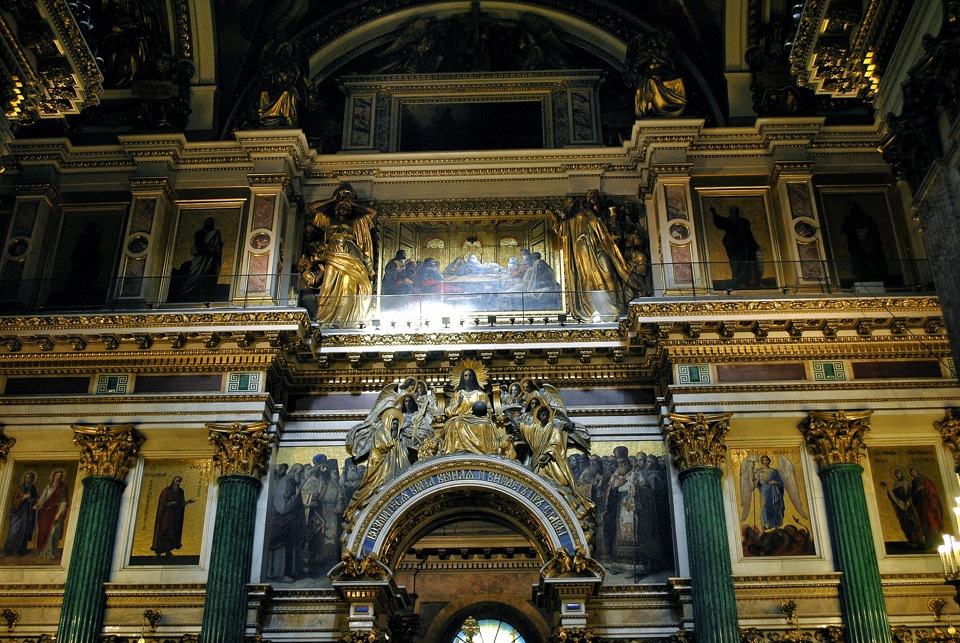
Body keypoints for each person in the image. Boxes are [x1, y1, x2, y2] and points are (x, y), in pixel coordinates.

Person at [300, 183, 377, 326]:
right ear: (336, 208)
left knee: (349, 284)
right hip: (333, 251)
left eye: (347, 207)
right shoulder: (327, 220)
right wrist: (332, 199)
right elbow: (312, 208)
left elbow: (372, 213)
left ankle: (344, 319)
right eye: (342, 206)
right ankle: (325, 317)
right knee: (328, 282)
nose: (345, 209)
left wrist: (353, 202)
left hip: (350, 250)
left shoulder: (356, 222)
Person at [554, 190, 633, 318]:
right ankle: (595, 307)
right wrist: (554, 216)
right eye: (591, 197)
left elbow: (615, 235)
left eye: (595, 196)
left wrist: (613, 220)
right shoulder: (581, 216)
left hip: (603, 249)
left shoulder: (605, 214)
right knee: (589, 277)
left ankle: (614, 305)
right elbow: (565, 227)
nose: (593, 199)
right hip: (585, 250)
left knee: (609, 273)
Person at [625, 29, 687, 117]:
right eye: (650, 42)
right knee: (650, 82)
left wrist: (656, 57)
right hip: (649, 77)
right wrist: (648, 57)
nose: (652, 44)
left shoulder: (661, 51)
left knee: (678, 82)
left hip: (662, 77)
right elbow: (636, 66)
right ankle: (652, 106)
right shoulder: (644, 52)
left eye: (654, 42)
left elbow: (669, 64)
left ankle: (672, 105)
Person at [266, 463, 305, 582]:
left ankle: (288, 572)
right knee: (281, 547)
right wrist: (296, 496)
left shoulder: (293, 482)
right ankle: (280, 574)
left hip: (289, 523)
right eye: (299, 472)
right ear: (293, 472)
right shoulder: (286, 482)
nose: (301, 475)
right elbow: (282, 506)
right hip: (281, 522)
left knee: (290, 547)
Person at [711, 205, 761, 288]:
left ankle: (745, 281)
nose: (733, 212)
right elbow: (719, 222)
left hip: (743, 246)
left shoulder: (744, 221)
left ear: (737, 212)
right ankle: (736, 280)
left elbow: (748, 233)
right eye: (731, 211)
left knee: (744, 263)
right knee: (734, 263)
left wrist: (754, 244)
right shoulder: (727, 221)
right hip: (732, 246)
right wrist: (714, 213)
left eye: (734, 211)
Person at [841, 203, 889, 283]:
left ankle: (875, 278)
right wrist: (854, 226)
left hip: (869, 245)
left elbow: (874, 231)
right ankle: (862, 278)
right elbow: (844, 229)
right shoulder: (849, 219)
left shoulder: (866, 218)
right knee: (859, 264)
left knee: (872, 263)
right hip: (857, 246)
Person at [178, 217, 224, 301]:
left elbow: (219, 244)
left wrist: (216, 249)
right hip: (200, 257)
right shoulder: (199, 233)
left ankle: (203, 293)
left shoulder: (216, 233)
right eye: (207, 222)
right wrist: (208, 249)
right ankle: (187, 291)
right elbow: (198, 244)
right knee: (194, 272)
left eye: (210, 222)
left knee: (207, 272)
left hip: (210, 258)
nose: (208, 224)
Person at [151, 475, 195, 557]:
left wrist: (187, 502)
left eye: (179, 481)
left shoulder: (181, 491)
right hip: (166, 515)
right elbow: (162, 503)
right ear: (173, 481)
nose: (178, 483)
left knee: (172, 533)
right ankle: (159, 552)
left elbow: (181, 503)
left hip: (175, 516)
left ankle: (168, 551)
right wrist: (171, 503)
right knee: (163, 531)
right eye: (177, 481)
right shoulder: (166, 491)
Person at [880, 467, 923, 548]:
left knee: (911, 521)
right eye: (896, 474)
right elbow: (893, 496)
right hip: (900, 507)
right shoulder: (896, 485)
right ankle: (909, 539)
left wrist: (908, 502)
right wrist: (887, 489)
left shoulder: (907, 483)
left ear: (902, 474)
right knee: (904, 522)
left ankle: (916, 538)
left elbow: (911, 493)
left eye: (898, 473)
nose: (897, 475)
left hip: (908, 505)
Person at [2, 472, 39, 557]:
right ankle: (7, 550)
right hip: (17, 513)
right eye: (26, 477)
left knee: (23, 531)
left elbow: (36, 498)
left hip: (27, 513)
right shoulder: (20, 488)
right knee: (14, 531)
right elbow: (14, 501)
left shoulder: (33, 488)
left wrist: (33, 500)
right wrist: (23, 498)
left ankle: (18, 551)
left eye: (29, 478)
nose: (27, 479)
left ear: (32, 479)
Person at [35, 470, 69, 559]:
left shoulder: (63, 487)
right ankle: (43, 552)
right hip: (46, 512)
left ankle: (52, 552)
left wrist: (60, 512)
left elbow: (64, 500)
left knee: (53, 532)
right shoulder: (48, 487)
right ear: (54, 476)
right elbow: (43, 498)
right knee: (43, 531)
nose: (58, 477)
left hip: (56, 511)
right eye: (57, 475)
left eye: (60, 476)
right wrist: (37, 505)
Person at [909, 466, 944, 548]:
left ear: (917, 471)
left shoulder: (925, 480)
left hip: (928, 503)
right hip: (920, 505)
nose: (913, 474)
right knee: (924, 523)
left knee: (931, 520)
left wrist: (933, 502)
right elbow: (913, 495)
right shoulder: (914, 483)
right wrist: (917, 490)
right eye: (912, 474)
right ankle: (929, 540)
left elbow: (932, 491)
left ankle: (937, 538)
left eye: (914, 472)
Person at [754, 455, 785, 530]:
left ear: (769, 461)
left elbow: (781, 482)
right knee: (764, 507)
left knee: (774, 507)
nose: (765, 462)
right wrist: (756, 479)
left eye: (766, 460)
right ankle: (763, 527)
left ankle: (775, 526)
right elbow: (755, 483)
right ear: (762, 461)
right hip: (764, 491)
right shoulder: (759, 471)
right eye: (764, 460)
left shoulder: (773, 471)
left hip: (773, 491)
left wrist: (775, 482)